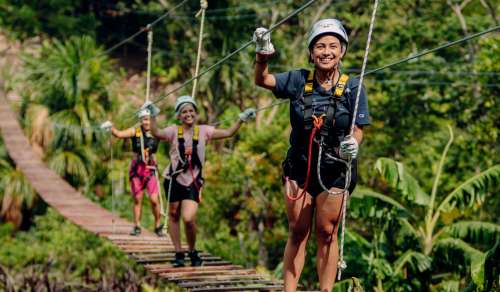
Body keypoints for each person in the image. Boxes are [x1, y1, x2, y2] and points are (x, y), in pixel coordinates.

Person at [253, 19, 370, 291]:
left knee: (327, 233)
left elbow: (358, 128)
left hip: (336, 170)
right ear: (310, 52)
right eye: (320, 46)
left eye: (332, 46)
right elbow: (263, 80)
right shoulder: (297, 80)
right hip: (299, 168)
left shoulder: (353, 87)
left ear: (342, 51)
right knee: (297, 230)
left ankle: (325, 290)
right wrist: (262, 56)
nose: (326, 51)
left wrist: (353, 141)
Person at [144, 96, 256, 267]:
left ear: (196, 113)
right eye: (184, 112)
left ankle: (192, 250)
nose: (188, 114)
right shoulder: (173, 131)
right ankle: (178, 253)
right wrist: (152, 115)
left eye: (190, 111)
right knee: (174, 216)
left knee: (188, 219)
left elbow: (227, 133)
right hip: (173, 179)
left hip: (193, 182)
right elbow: (156, 132)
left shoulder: (204, 131)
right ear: (178, 116)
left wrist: (241, 119)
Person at [100, 108, 164, 237]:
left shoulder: (157, 132)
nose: (147, 122)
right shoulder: (135, 131)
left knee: (154, 199)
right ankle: (137, 226)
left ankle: (157, 226)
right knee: (137, 198)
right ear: (140, 120)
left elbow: (171, 136)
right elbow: (119, 134)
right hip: (137, 170)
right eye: (144, 120)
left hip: (150, 170)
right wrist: (111, 128)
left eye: (149, 119)